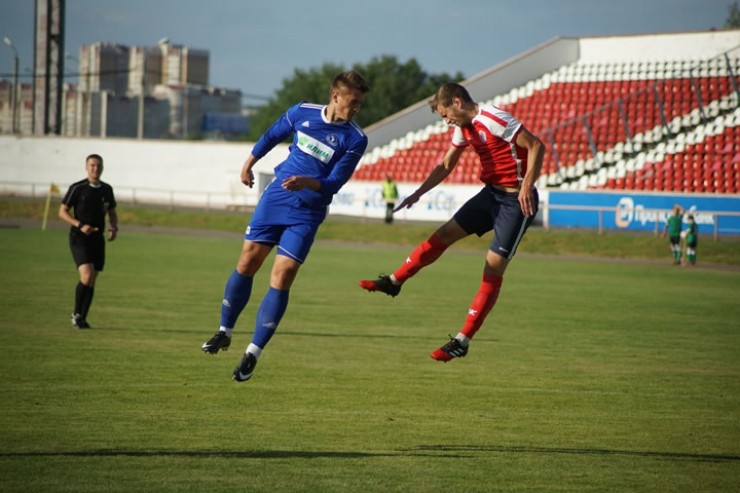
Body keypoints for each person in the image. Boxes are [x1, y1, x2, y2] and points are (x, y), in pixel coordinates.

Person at [201, 70, 370, 382]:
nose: (356, 108)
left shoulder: (356, 139)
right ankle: (224, 331)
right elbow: (271, 135)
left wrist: (308, 182)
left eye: (360, 103)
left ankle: (253, 352)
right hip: (276, 197)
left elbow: (333, 183)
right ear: (335, 96)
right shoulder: (301, 112)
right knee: (248, 260)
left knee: (282, 275)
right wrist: (248, 164)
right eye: (353, 101)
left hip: (308, 210)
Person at [359, 82, 544, 362]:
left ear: (457, 102)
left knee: (492, 268)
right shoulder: (463, 128)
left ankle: (462, 341)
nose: (446, 122)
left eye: (446, 115)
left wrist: (527, 185)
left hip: (516, 202)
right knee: (443, 234)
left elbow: (535, 145)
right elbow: (446, 164)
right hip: (491, 195)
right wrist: (418, 193)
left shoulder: (494, 119)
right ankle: (394, 282)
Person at [58, 154, 119, 329]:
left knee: (92, 279)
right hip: (79, 237)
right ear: (86, 167)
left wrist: (113, 227)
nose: (95, 168)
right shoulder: (78, 188)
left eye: (98, 165)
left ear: (103, 167)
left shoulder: (107, 189)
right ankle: (76, 313)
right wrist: (79, 224)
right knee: (87, 274)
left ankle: (82, 318)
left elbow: (112, 212)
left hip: (97, 238)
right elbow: (62, 212)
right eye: (92, 165)